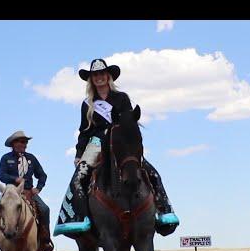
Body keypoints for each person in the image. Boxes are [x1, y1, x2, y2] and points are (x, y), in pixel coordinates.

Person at [54, 58, 179, 236]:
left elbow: (130, 124)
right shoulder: (87, 103)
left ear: (108, 76)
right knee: (79, 176)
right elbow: (84, 131)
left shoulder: (121, 98)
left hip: (119, 142)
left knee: (152, 173)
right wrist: (79, 154)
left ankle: (163, 213)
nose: (99, 78)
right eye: (95, 75)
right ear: (91, 79)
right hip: (96, 142)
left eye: (102, 74)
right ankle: (79, 218)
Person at [0, 131, 54, 251]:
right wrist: (15, 179)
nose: (24, 144)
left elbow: (42, 175)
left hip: (28, 191)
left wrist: (38, 188)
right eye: (21, 141)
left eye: (25, 142)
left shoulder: (31, 158)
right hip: (10, 192)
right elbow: (1, 175)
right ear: (13, 143)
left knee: (45, 209)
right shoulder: (6, 158)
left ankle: (45, 239)